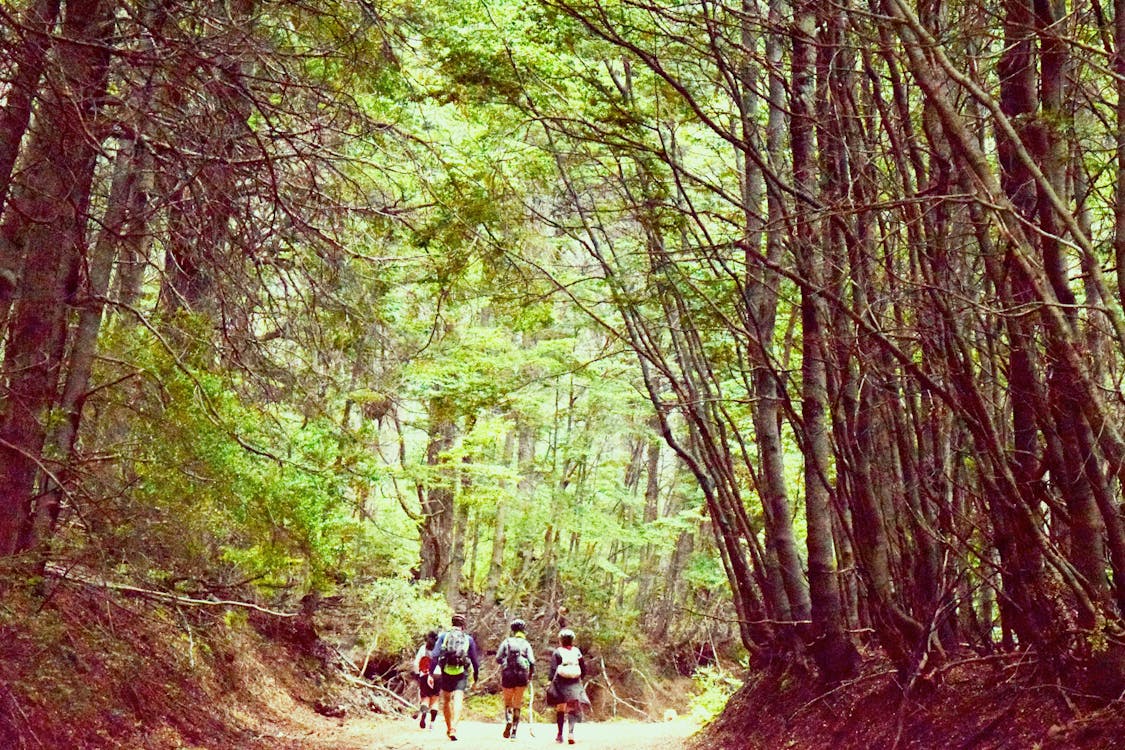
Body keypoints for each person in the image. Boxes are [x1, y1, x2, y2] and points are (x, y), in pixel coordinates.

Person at [428, 613, 481, 742]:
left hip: (446, 672)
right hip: (461, 673)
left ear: (452, 624)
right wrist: (475, 677)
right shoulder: (468, 639)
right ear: (463, 626)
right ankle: (454, 728)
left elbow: (434, 656)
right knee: (458, 700)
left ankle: (449, 727)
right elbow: (475, 661)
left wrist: (430, 673)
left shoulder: (443, 636)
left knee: (446, 701)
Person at [496, 618, 535, 740]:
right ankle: (514, 731)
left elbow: (498, 658)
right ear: (523, 630)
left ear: (512, 630)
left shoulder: (507, 642)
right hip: (521, 676)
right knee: (517, 703)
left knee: (508, 701)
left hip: (508, 674)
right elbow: (532, 661)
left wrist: (505, 663)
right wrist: (530, 676)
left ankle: (508, 720)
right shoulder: (526, 644)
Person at [548, 628, 587, 745]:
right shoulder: (577, 652)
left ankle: (559, 735)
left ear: (561, 640)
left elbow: (553, 669)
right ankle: (571, 733)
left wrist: (550, 681)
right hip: (574, 681)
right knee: (572, 708)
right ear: (572, 640)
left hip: (561, 682)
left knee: (560, 707)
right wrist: (580, 678)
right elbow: (583, 667)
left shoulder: (557, 652)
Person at [412, 630, 440, 729]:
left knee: (425, 699)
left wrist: (417, 674)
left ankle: (423, 715)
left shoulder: (423, 648)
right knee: (435, 700)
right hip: (438, 676)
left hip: (424, 675)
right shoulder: (440, 649)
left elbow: (416, 663)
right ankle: (432, 723)